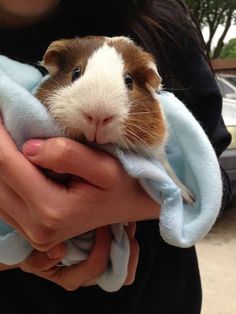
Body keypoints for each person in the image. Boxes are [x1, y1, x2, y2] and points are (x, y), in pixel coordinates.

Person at [0, 0, 231, 313]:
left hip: (156, 299)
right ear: (54, 67)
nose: (98, 114)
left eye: (128, 82)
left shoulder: (162, 24)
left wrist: (144, 198)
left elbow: (212, 178)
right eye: (77, 74)